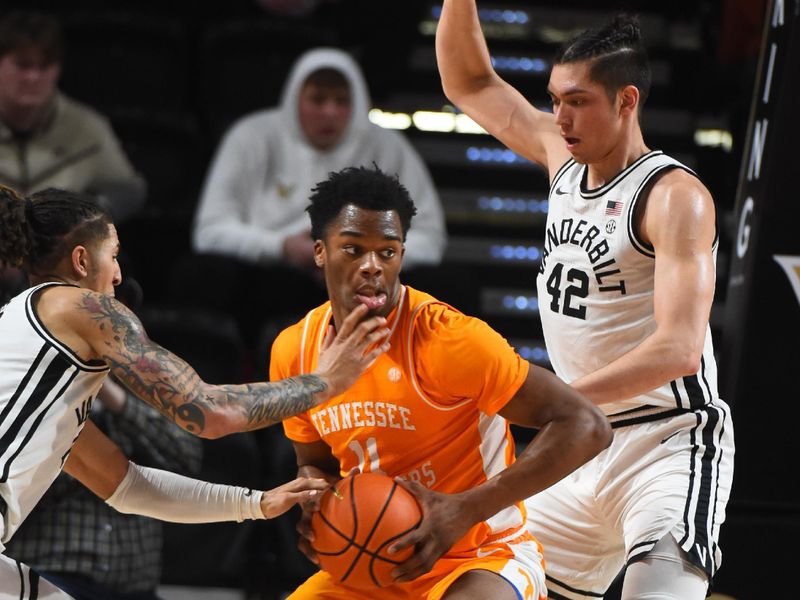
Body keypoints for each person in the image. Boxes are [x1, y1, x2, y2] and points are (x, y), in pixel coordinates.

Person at [436, 2, 735, 599]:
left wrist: (550, 398)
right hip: (578, 444)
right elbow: (469, 83)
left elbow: (678, 349)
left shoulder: (675, 197)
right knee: (480, 591)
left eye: (578, 101)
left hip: (665, 443)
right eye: (555, 99)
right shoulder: (561, 157)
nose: (561, 117)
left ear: (627, 101)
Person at [0, 184, 391, 599]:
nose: (118, 274)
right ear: (82, 260)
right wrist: (325, 381)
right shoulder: (81, 307)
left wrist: (254, 503)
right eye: (113, 256)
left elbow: (126, 486)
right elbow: (208, 411)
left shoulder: (24, 341)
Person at [272, 165, 613, 599]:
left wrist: (465, 510)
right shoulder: (294, 351)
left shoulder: (448, 340)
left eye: (387, 252)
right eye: (353, 250)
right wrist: (317, 504)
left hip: (478, 555)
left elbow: (587, 425)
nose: (372, 267)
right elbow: (315, 461)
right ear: (320, 251)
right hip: (372, 560)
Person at [189, 47, 446, 358]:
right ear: (295, 98)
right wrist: (282, 247)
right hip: (271, 275)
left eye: (341, 101)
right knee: (206, 276)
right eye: (318, 99)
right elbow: (210, 230)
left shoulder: (388, 146)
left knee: (446, 284)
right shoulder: (250, 136)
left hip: (367, 280)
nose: (329, 112)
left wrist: (363, 256)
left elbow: (430, 237)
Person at [4, 375, 203, 600]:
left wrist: (115, 399)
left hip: (135, 586)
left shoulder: (145, 386)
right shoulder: (30, 391)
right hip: (53, 574)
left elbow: (188, 459)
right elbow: (21, 482)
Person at [0, 11, 147, 305]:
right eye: (22, 65)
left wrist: (82, 224)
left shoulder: (86, 127)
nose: (33, 77)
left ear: (58, 70)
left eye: (44, 66)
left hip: (64, 262)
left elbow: (129, 189)